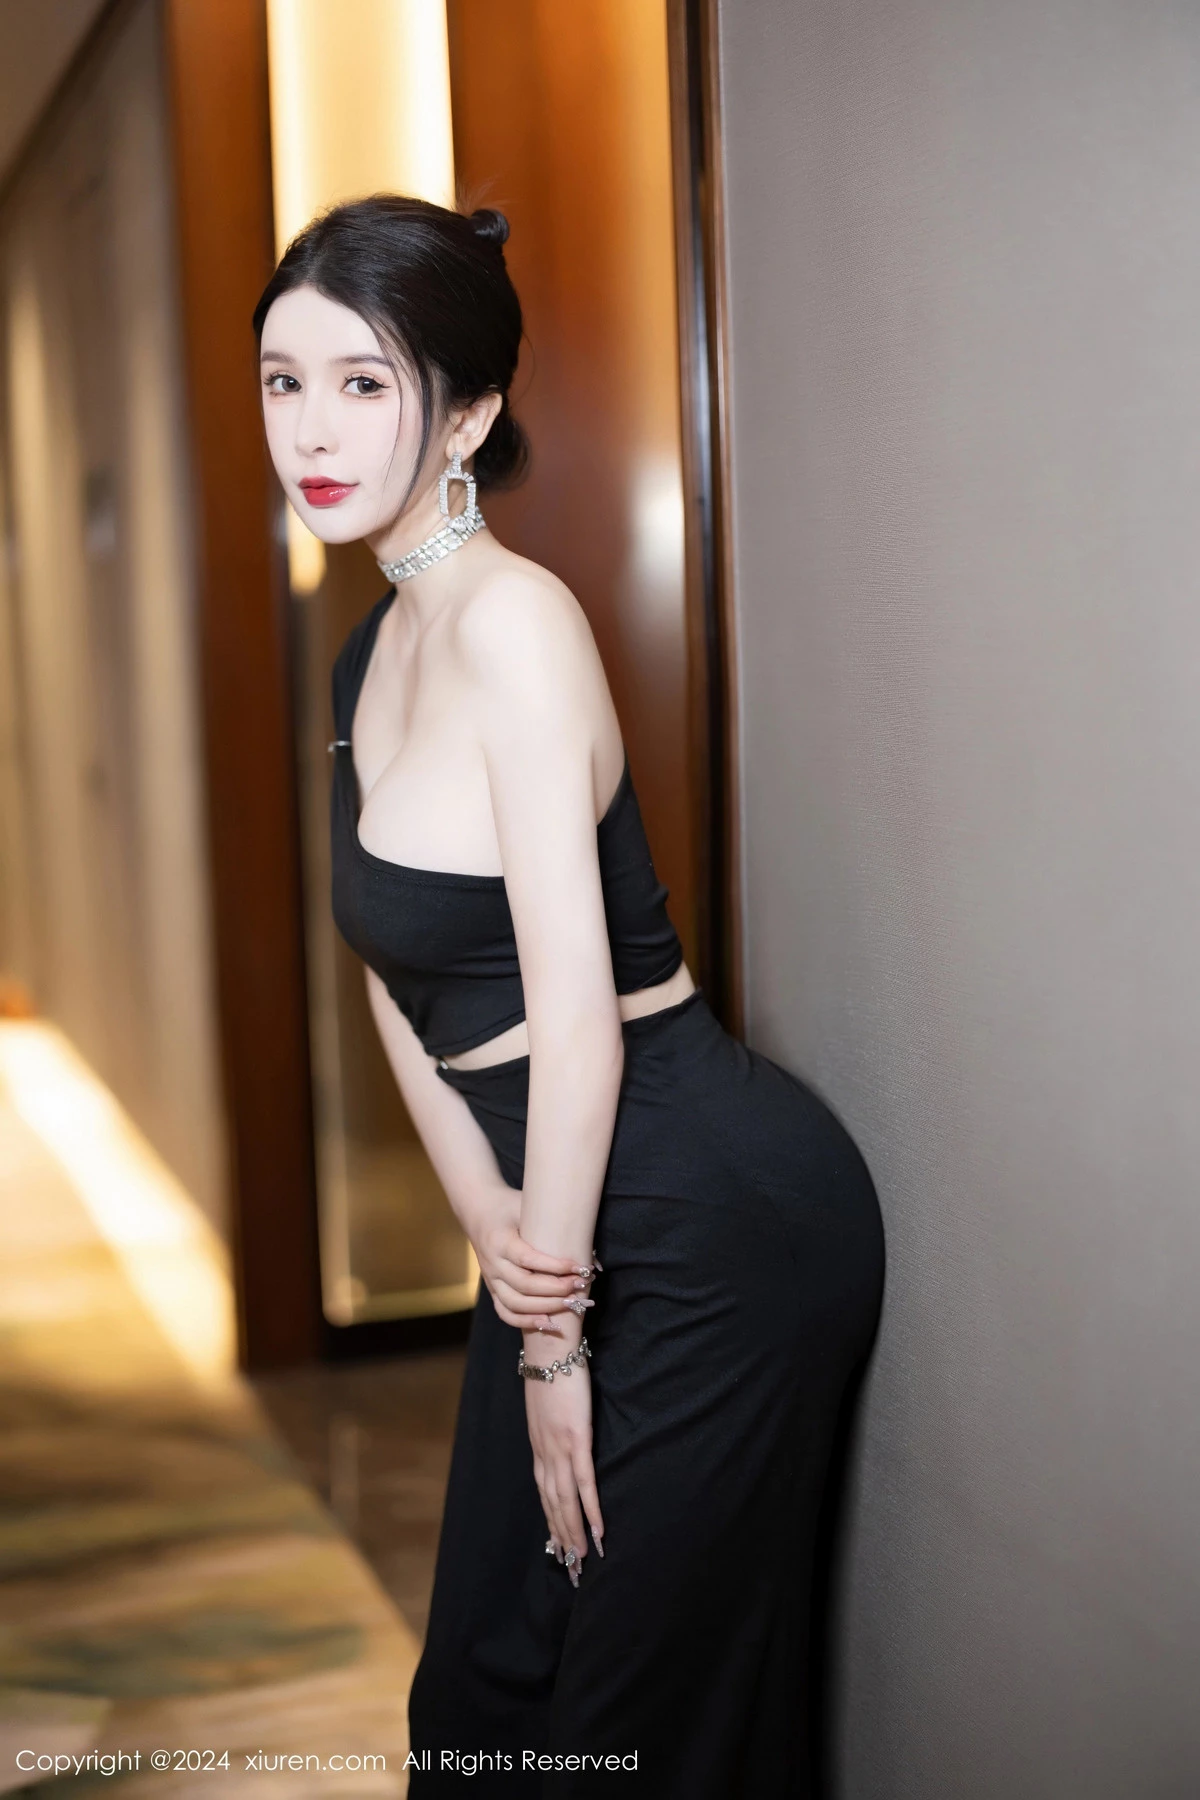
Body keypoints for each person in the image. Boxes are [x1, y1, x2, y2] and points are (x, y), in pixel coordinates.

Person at [253, 194, 885, 1797]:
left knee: (618, 1738)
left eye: (363, 384)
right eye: (283, 381)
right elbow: (397, 983)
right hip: (547, 1211)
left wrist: (551, 1345)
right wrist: (498, 1238)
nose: (310, 430)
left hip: (700, 1209)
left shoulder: (518, 629)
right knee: (478, 1699)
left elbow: (581, 1017)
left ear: (467, 415)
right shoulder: (369, 654)